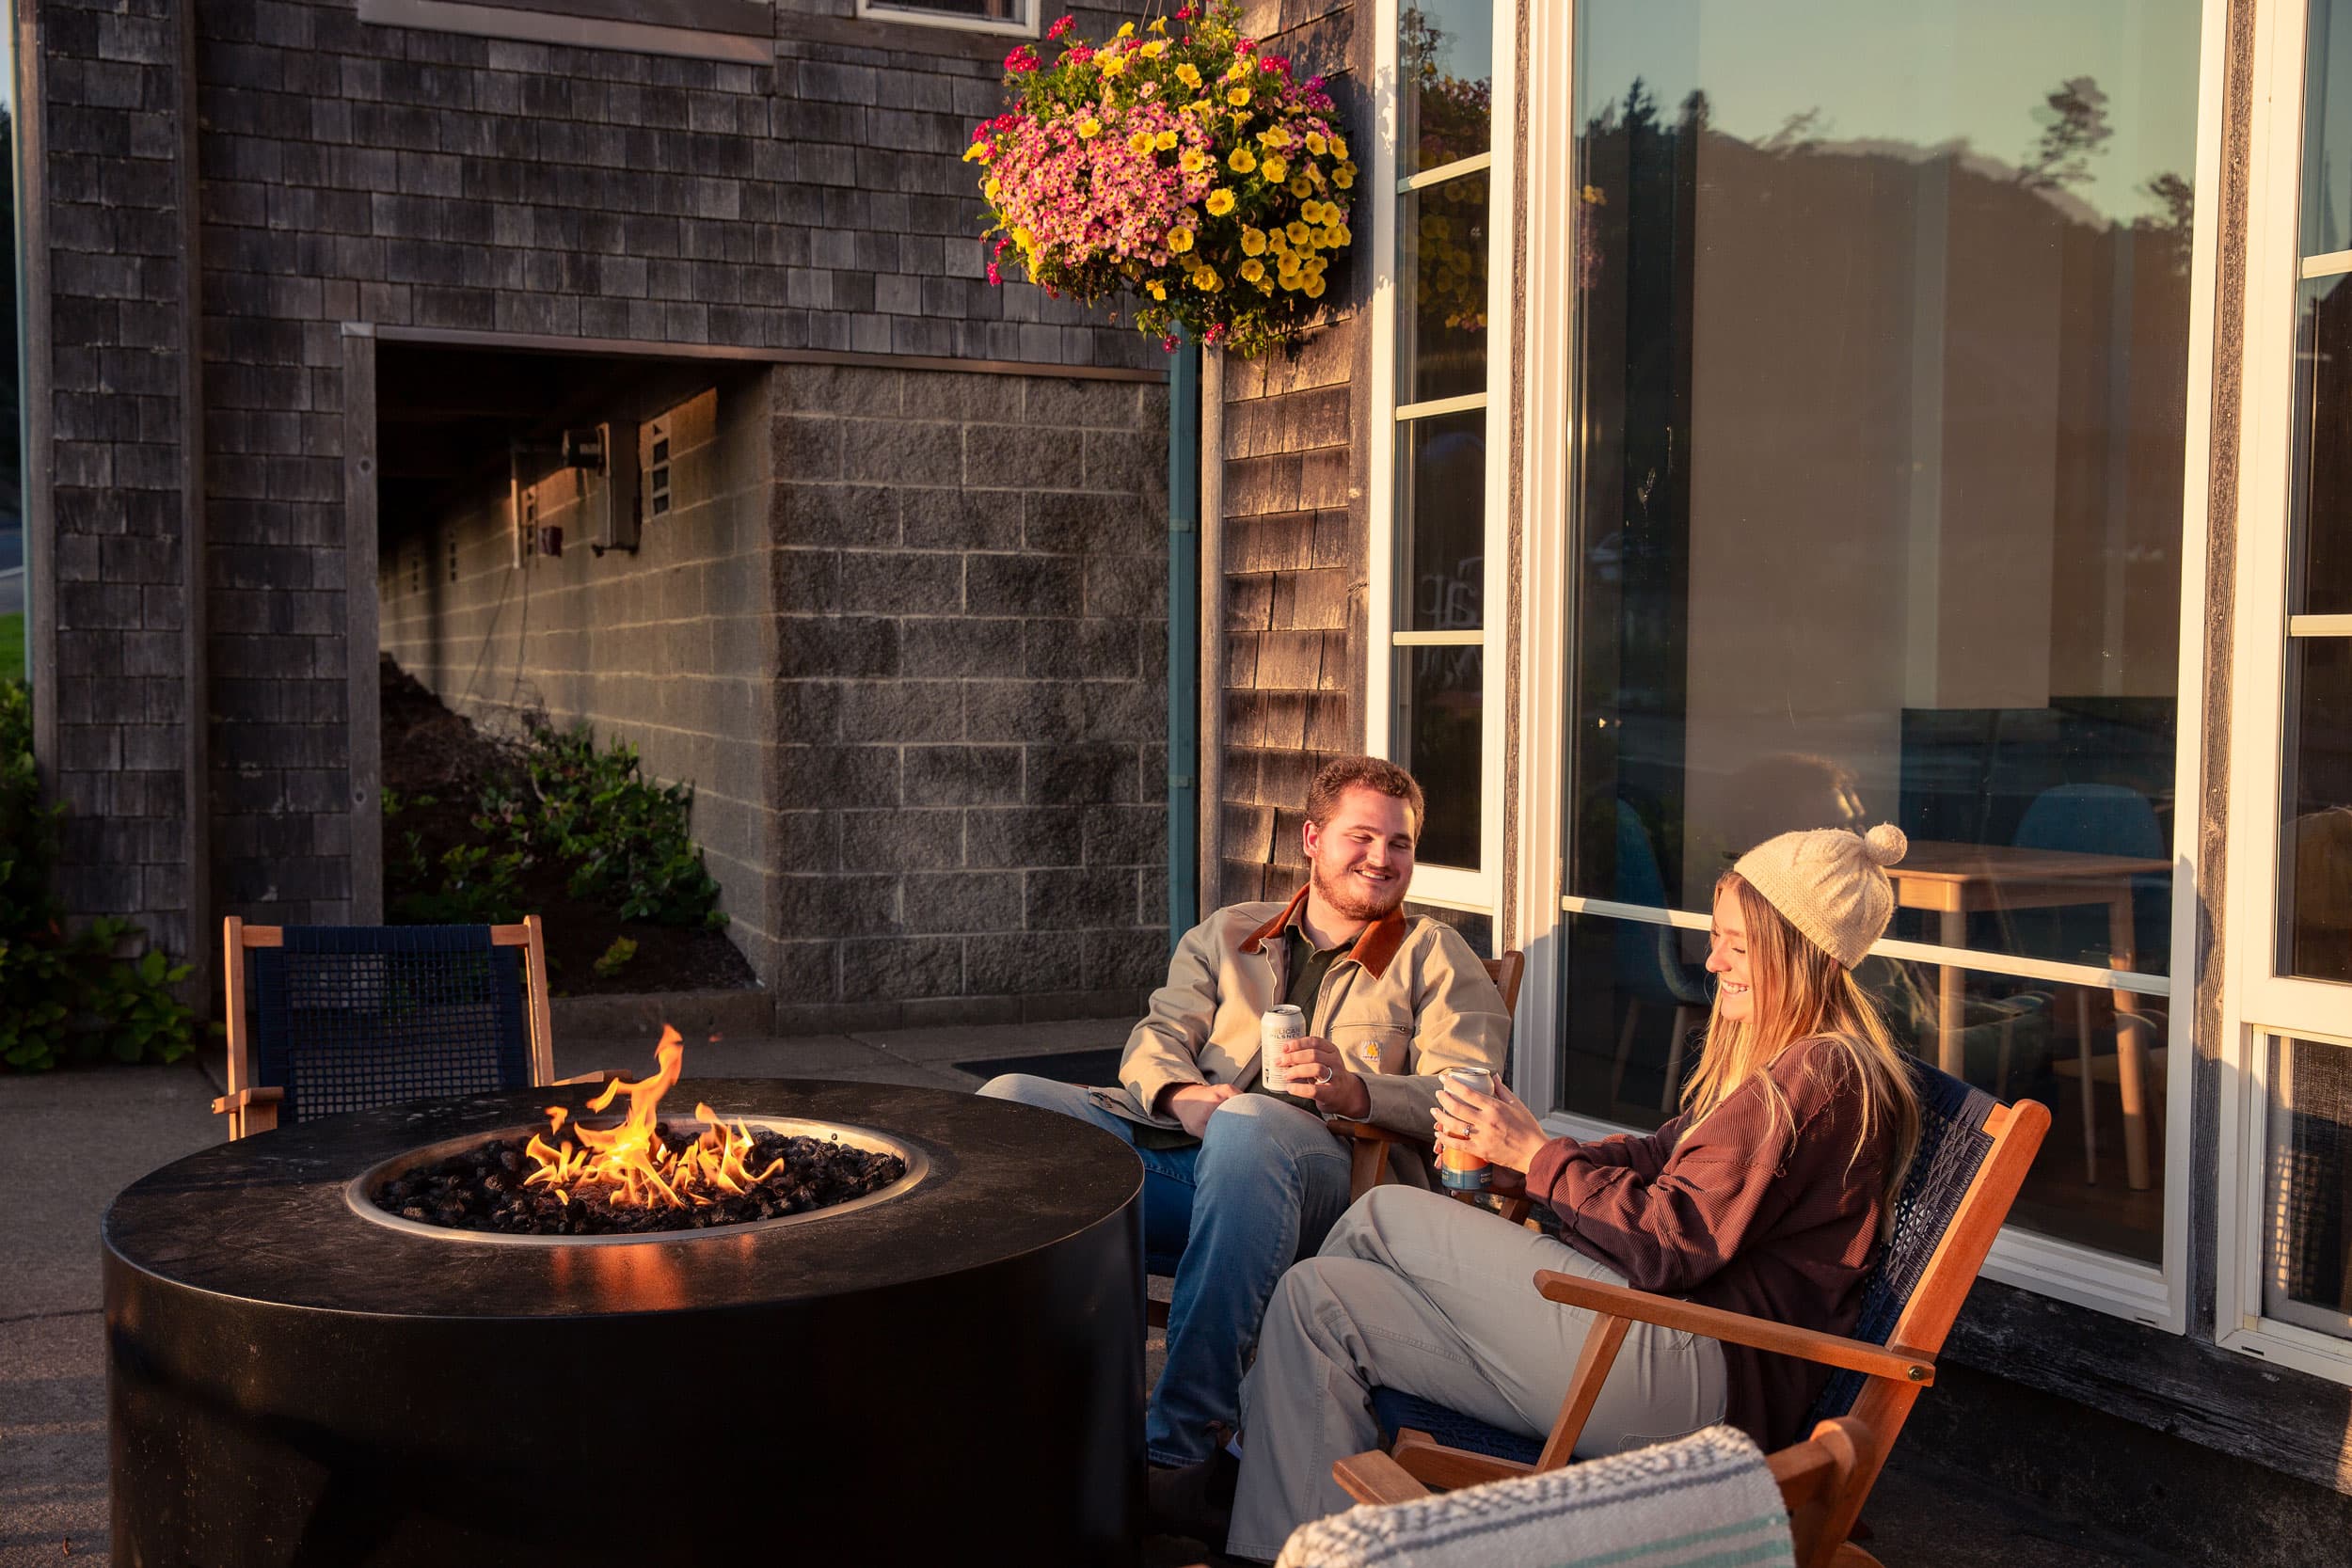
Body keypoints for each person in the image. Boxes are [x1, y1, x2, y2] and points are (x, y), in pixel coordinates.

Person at [1212, 823, 1924, 1561]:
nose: (1712, 963)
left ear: (1794, 951)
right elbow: (1654, 1157)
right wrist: (1522, 1163)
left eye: (1736, 946)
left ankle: (1230, 1428)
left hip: (1696, 1370)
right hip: (1639, 1336)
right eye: (1717, 939)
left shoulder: (1818, 1075)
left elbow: (1667, 1243)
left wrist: (1539, 1155)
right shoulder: (1778, 1064)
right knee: (1316, 1300)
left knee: (1385, 1212)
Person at [976, 755, 1511, 1502]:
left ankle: (1179, 1449)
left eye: (1400, 844)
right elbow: (1157, 1034)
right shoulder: (1228, 933)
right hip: (1189, 1160)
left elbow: (1467, 1095)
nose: (1383, 859)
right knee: (1008, 1104)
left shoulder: (1434, 956)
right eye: (1363, 837)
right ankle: (1032, 1406)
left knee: (1253, 1127)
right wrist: (1183, 1098)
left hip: (1331, 1186)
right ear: (1312, 839)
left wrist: (1357, 1089)